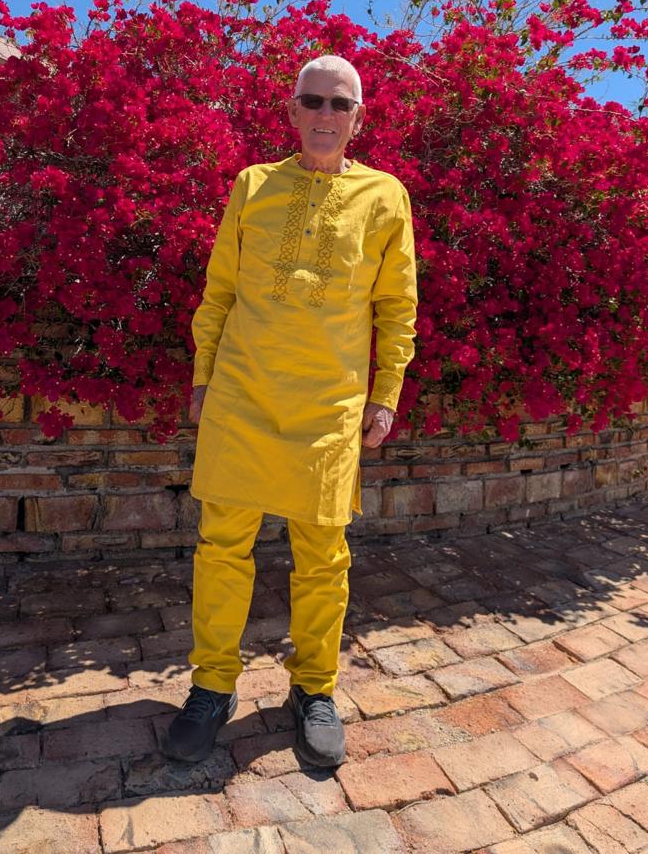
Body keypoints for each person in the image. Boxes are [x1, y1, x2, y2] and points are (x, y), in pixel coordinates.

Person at [162, 54, 418, 768]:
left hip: (330, 403)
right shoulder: (253, 185)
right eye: (313, 101)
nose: (325, 115)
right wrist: (204, 377)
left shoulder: (384, 196)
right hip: (242, 393)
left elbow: (397, 305)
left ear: (359, 117)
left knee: (323, 556)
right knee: (221, 548)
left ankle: (314, 689)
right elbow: (219, 291)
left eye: (340, 104)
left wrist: (385, 393)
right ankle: (212, 687)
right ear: (292, 111)